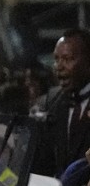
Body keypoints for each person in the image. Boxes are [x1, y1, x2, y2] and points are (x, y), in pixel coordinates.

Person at [33, 28, 90, 178]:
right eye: (56, 59)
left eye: (67, 59)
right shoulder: (49, 103)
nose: (59, 66)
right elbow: (41, 164)